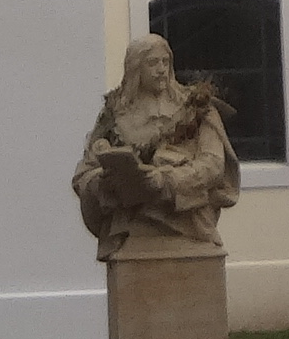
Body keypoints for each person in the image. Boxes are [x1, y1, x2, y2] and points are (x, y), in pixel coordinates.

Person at [73, 34, 241, 256]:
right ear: (135, 69)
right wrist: (105, 184)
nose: (161, 69)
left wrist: (165, 182)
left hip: (187, 222)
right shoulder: (114, 115)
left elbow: (213, 165)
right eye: (152, 63)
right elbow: (83, 174)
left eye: (165, 61)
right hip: (131, 226)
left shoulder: (197, 108)